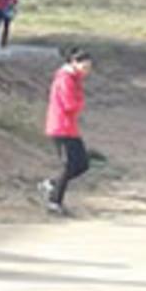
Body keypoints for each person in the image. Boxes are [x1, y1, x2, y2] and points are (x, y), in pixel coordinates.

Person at [40, 48, 95, 215]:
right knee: (70, 165)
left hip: (69, 127)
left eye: (89, 68)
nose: (87, 71)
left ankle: (52, 184)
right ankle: (54, 202)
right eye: (84, 67)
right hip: (60, 127)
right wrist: (80, 101)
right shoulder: (66, 79)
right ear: (74, 63)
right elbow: (70, 104)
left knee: (82, 164)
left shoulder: (74, 79)